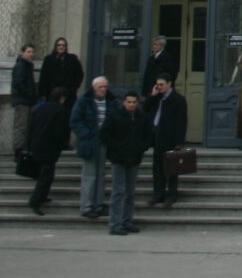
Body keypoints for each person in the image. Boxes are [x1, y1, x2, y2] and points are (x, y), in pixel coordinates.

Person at [100, 90, 150, 236]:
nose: (131, 105)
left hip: (134, 158)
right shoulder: (115, 116)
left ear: (138, 103)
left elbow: (149, 134)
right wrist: (115, 147)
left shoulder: (142, 117)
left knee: (130, 192)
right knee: (118, 191)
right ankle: (115, 224)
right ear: (124, 102)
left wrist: (142, 147)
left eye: (134, 102)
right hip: (118, 158)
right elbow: (104, 134)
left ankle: (127, 221)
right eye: (129, 102)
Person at [70, 76, 112, 219]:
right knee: (89, 175)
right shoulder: (84, 101)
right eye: (101, 87)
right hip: (89, 143)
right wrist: (87, 135)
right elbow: (75, 121)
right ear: (94, 88)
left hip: (104, 142)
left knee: (101, 175)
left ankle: (98, 204)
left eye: (105, 87)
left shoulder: (110, 101)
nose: (103, 89)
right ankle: (87, 206)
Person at [26, 87, 71, 216]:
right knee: (46, 176)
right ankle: (35, 200)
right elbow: (60, 131)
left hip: (36, 145)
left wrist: (28, 145)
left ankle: (42, 196)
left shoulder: (39, 109)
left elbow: (31, 128)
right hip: (49, 147)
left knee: (43, 174)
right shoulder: (60, 110)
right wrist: (63, 145)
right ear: (62, 98)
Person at [145, 74, 187, 207]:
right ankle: (158, 194)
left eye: (161, 84)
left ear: (169, 84)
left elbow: (181, 122)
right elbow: (145, 109)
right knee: (157, 168)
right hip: (157, 137)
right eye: (157, 84)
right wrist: (152, 96)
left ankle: (171, 195)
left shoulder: (178, 100)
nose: (159, 87)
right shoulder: (157, 97)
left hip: (170, 138)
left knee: (172, 168)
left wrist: (179, 142)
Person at [38, 37, 85, 112]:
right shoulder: (49, 59)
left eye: (63, 45)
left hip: (68, 94)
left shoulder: (72, 59)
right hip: (52, 93)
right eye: (59, 45)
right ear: (56, 46)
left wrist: (74, 88)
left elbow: (79, 74)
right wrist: (42, 93)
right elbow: (43, 77)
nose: (61, 47)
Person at [10, 44, 37, 155]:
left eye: (32, 52)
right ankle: (18, 150)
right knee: (21, 126)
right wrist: (29, 94)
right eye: (28, 52)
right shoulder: (21, 66)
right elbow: (18, 84)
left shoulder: (27, 66)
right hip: (22, 100)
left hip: (27, 100)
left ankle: (23, 148)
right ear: (22, 53)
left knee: (26, 126)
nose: (31, 54)